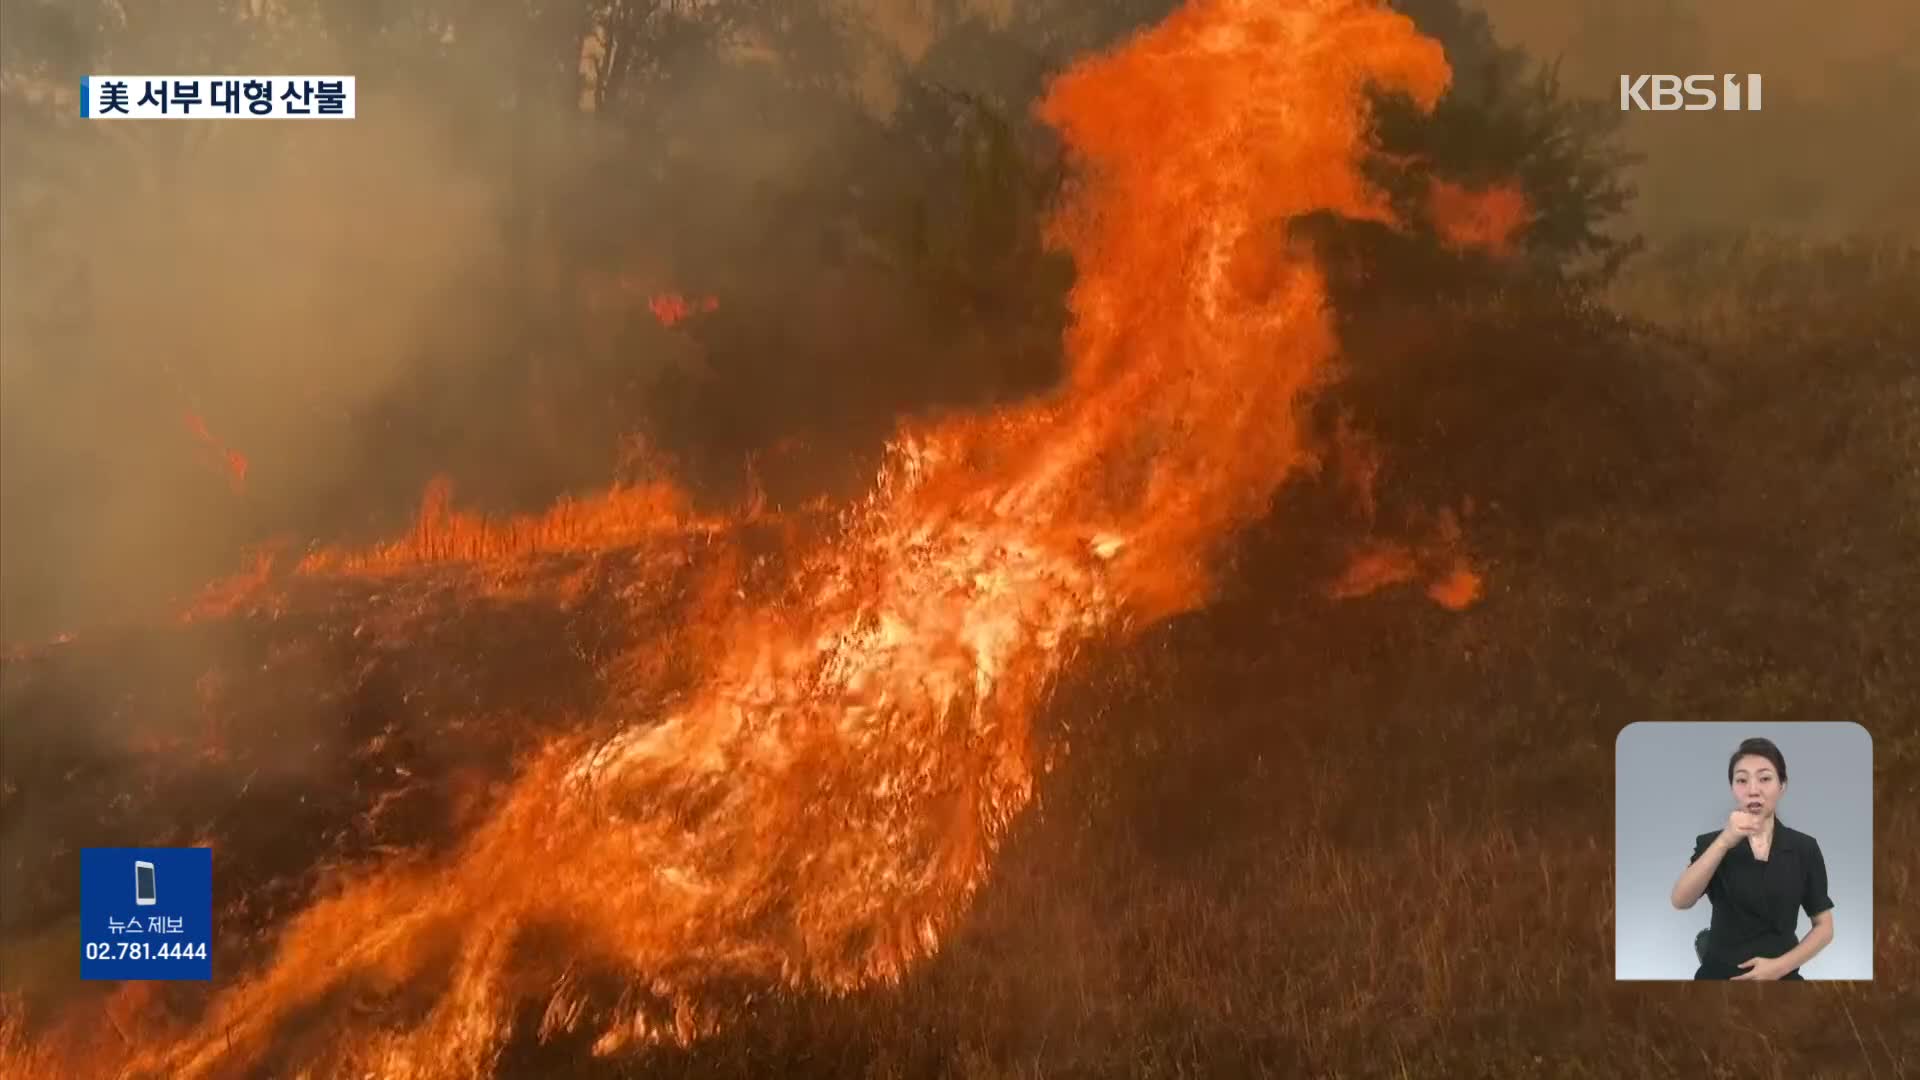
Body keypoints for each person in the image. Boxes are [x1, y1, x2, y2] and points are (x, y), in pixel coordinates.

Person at [1669, 737, 1835, 979]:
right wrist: (1725, 840)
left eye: (1765, 778)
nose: (1753, 789)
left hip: (1782, 978)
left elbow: (1825, 927)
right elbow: (1680, 900)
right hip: (1718, 976)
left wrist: (1779, 968)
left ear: (1782, 785)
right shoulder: (1712, 843)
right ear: (1733, 788)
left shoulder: (1804, 848)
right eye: (1742, 780)